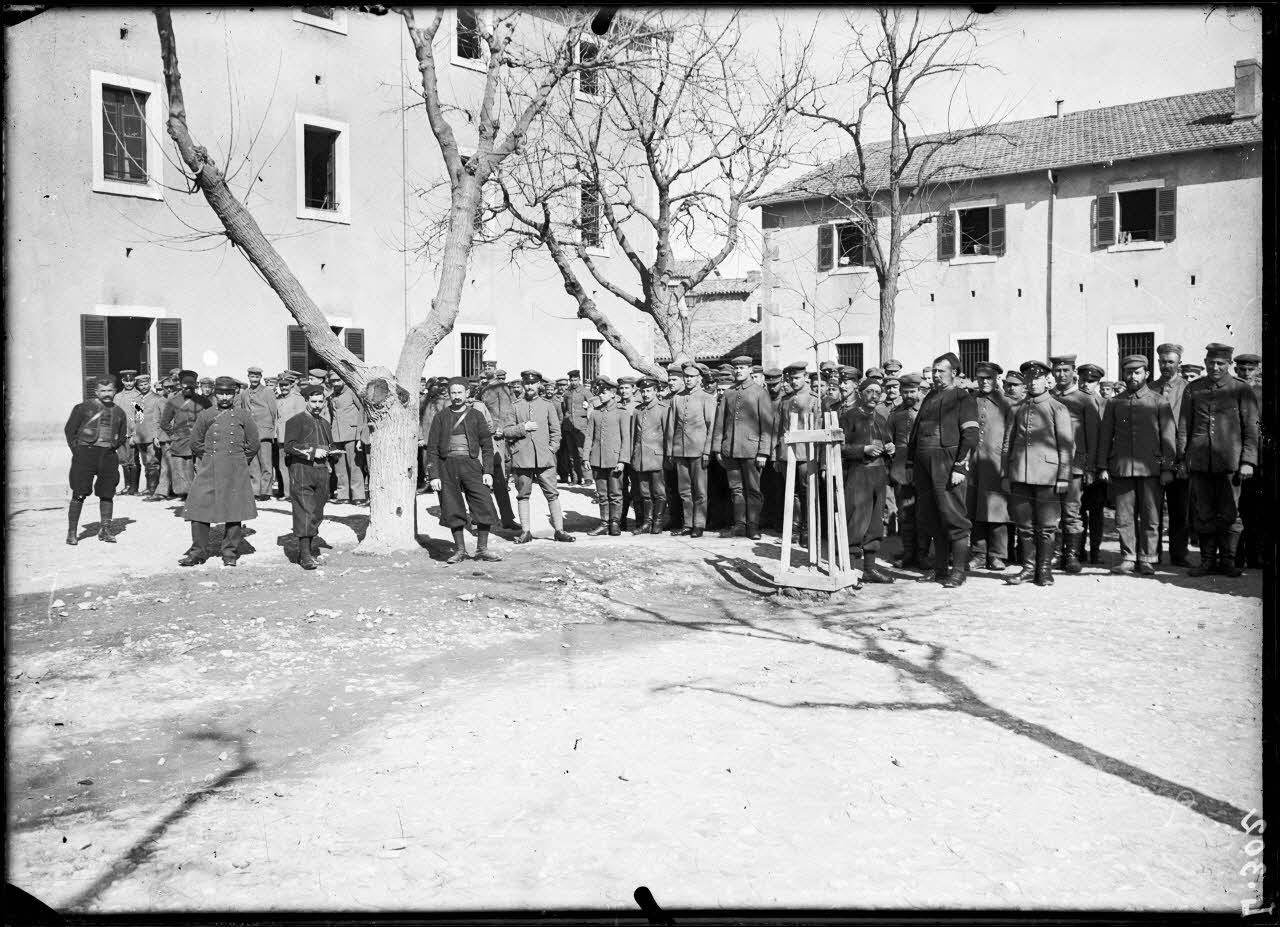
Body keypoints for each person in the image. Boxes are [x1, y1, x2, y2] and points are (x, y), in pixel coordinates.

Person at [1176, 343, 1260, 577]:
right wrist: (1182, 458)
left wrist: (1248, 461)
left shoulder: (1240, 389)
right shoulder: (1194, 389)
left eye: (1220, 363)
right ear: (1205, 363)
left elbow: (1251, 428)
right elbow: (1184, 426)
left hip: (1230, 462)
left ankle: (1227, 561)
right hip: (1200, 461)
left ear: (1229, 364)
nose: (1215, 367)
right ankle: (1207, 561)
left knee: (1230, 513)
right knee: (1203, 512)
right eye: (1211, 362)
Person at [1097, 355, 1175, 576]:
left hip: (1151, 469)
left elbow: (1168, 437)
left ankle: (1147, 558)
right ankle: (1128, 558)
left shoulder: (1159, 401)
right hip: (1122, 468)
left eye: (1137, 372)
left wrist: (1168, 468)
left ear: (1146, 374)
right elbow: (1105, 436)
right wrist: (1103, 466)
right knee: (1124, 517)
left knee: (1151, 516)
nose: (1132, 376)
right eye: (1129, 372)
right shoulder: (1115, 402)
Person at [906, 352, 980, 587]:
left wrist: (960, 466)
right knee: (932, 518)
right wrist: (911, 464)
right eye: (934, 371)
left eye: (941, 371)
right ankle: (939, 570)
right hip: (924, 465)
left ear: (954, 373)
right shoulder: (929, 397)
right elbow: (916, 433)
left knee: (953, 517)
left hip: (947, 463)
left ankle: (958, 572)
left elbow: (971, 435)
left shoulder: (962, 398)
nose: (936, 375)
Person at [1002, 360, 1074, 587]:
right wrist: (1005, 473)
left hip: (1047, 475)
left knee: (1047, 526)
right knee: (1024, 525)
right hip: (1020, 474)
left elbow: (1066, 445)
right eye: (1029, 379)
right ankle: (1028, 568)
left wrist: (1063, 476)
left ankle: (1044, 570)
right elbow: (1007, 443)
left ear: (1046, 380)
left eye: (1038, 378)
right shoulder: (1017, 408)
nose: (1033, 383)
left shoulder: (1057, 408)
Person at [180, 377, 260, 567]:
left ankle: (230, 552)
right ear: (215, 394)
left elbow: (253, 444)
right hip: (210, 467)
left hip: (235, 468)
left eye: (228, 393)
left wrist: (239, 460)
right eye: (221, 393)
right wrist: (211, 458)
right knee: (198, 508)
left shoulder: (243, 415)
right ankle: (197, 552)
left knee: (234, 510)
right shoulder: (206, 415)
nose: (224, 397)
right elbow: (195, 442)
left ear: (235, 394)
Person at [425, 377, 502, 564]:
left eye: (460, 392)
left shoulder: (476, 415)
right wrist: (434, 475)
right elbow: (432, 448)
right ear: (449, 394)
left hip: (472, 464)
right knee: (452, 507)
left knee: (483, 503)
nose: (457, 396)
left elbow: (487, 446)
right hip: (447, 466)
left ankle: (482, 549)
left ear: (467, 393)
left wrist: (488, 471)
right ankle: (460, 550)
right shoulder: (441, 417)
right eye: (453, 393)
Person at [501, 370, 574, 544]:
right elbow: (506, 431)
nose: (529, 386)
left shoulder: (547, 405)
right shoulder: (515, 406)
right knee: (523, 495)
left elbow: (556, 431)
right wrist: (523, 428)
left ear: (538, 384)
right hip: (522, 458)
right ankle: (526, 532)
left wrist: (552, 449)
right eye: (526, 383)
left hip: (545, 458)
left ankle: (559, 530)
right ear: (523, 385)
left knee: (552, 494)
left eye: (532, 383)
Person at [1048, 353, 1101, 575]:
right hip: (1049, 464)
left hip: (1074, 465)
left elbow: (1093, 437)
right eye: (1057, 371)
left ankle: (1071, 555)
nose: (1061, 374)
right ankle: (1055, 553)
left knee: (1071, 511)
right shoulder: (1048, 397)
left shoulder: (1084, 400)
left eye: (1066, 370)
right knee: (1051, 512)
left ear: (1073, 372)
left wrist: (1089, 467)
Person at [712, 355, 774, 540]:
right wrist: (717, 448)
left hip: (751, 450)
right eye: (736, 368)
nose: (738, 371)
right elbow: (720, 423)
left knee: (753, 490)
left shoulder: (759, 393)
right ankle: (740, 525)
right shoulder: (729, 393)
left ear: (750, 370)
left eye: (742, 368)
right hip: (730, 449)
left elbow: (767, 425)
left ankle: (753, 527)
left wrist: (763, 452)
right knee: (736, 489)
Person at [64, 375, 129, 545]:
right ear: (96, 392)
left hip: (108, 455)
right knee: (79, 491)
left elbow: (122, 435)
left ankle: (105, 530)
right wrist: (77, 451)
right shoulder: (82, 408)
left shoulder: (119, 412)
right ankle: (72, 532)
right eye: (103, 390)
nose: (107, 393)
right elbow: (70, 430)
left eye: (110, 390)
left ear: (115, 391)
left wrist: (112, 448)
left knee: (107, 492)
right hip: (85, 454)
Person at [840, 377, 894, 583]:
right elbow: (840, 447)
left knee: (875, 524)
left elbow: (887, 440)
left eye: (877, 392)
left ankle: (870, 569)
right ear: (860, 393)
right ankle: (851, 571)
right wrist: (864, 449)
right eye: (869, 391)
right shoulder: (849, 416)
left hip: (878, 474)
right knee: (856, 521)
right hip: (858, 474)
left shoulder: (881, 418)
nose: (874, 396)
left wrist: (890, 447)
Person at [283, 383, 342, 570]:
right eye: (313, 401)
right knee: (305, 511)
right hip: (302, 471)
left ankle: (307, 549)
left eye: (320, 402)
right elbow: (289, 446)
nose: (317, 405)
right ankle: (305, 555)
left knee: (317, 512)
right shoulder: (296, 421)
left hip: (322, 472)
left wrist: (334, 452)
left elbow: (330, 444)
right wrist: (312, 451)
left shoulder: (324, 423)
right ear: (306, 401)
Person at [968, 361, 1011, 571]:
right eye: (981, 378)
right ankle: (978, 554)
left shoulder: (1007, 403)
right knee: (975, 507)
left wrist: (1006, 464)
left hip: (996, 463)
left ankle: (997, 555)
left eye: (989, 378)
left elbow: (1010, 435)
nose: (984, 382)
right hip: (973, 461)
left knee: (997, 509)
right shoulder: (970, 400)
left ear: (997, 379)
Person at [1150, 343, 1191, 567]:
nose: (1166, 365)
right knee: (1152, 508)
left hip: (1180, 456)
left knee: (1179, 509)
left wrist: (1184, 459)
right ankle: (1152, 553)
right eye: (1163, 361)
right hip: (1154, 457)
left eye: (1171, 362)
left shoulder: (1189, 389)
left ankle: (1179, 554)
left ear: (1179, 363)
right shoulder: (1149, 388)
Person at [774, 361, 822, 543]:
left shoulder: (814, 400)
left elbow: (818, 429)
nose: (793, 382)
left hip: (806, 454)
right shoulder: (785, 400)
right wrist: (777, 455)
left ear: (806, 377)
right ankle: (793, 529)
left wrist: (818, 457)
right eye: (791, 379)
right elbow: (778, 429)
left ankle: (807, 530)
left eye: (797, 378)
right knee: (791, 493)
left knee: (807, 492)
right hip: (787, 454)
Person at [666, 363, 716, 537]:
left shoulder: (706, 398)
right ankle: (688, 524)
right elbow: (671, 426)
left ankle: (699, 524)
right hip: (680, 450)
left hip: (699, 451)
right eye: (686, 376)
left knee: (700, 490)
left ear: (699, 379)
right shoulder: (677, 398)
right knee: (684, 490)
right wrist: (671, 450)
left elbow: (711, 426)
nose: (688, 380)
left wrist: (707, 451)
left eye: (692, 377)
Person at [583, 376, 632, 537]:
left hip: (614, 460)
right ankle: (604, 523)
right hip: (597, 459)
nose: (600, 395)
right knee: (602, 494)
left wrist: (623, 460)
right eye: (600, 393)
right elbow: (589, 436)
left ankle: (615, 523)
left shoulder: (621, 413)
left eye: (604, 393)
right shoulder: (595, 413)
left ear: (612, 394)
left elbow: (626, 439)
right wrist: (585, 457)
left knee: (616, 494)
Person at [1231, 352, 1265, 570]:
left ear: (1257, 370)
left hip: (1260, 460)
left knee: (1257, 509)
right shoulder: (1229, 392)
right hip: (1234, 458)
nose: (1246, 373)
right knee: (1236, 508)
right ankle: (1235, 556)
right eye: (1242, 369)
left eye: (1250, 369)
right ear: (1235, 370)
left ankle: (1255, 555)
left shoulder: (1262, 394)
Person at [887, 373, 923, 569]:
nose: (909, 395)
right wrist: (890, 446)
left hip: (923, 468)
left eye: (912, 391)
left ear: (919, 391)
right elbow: (887, 437)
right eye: (905, 392)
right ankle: (909, 552)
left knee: (923, 513)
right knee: (905, 515)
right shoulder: (895, 414)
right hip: (901, 469)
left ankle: (923, 554)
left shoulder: (926, 411)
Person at [1077, 362, 1109, 564]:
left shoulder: (1105, 404)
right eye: (1083, 380)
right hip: (1076, 466)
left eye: (1091, 381)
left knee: (1096, 512)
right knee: (1077, 512)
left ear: (1098, 383)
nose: (1086, 385)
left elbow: (1105, 439)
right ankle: (1078, 551)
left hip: (1097, 468)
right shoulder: (1072, 402)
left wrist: (1099, 467)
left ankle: (1095, 552)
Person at [159, 370, 209, 499]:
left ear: (195, 385)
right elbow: (164, 422)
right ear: (180, 385)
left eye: (191, 386)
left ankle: (202, 494)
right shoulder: (173, 401)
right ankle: (187, 494)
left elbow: (212, 418)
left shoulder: (203, 401)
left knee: (201, 468)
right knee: (184, 469)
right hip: (181, 440)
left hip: (200, 440)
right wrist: (173, 435)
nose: (188, 388)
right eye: (185, 386)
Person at [629, 377, 668, 534]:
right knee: (645, 493)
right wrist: (633, 455)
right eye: (643, 391)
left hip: (657, 457)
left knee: (659, 492)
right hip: (640, 458)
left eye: (648, 391)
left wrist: (668, 456)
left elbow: (668, 435)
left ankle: (658, 522)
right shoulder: (637, 410)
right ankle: (647, 522)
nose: (645, 394)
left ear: (656, 391)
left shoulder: (663, 409)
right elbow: (633, 436)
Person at [326, 373, 369, 506]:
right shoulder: (331, 396)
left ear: (344, 380)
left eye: (338, 380)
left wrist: (360, 433)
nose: (335, 383)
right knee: (340, 467)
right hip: (336, 434)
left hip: (352, 433)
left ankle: (358, 495)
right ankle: (343, 494)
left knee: (354, 465)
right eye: (333, 381)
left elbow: (362, 410)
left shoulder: (352, 392)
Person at [235, 366, 278, 501]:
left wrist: (271, 429)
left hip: (264, 432)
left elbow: (273, 412)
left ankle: (266, 491)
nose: (254, 379)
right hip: (250, 432)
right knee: (253, 464)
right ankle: (255, 490)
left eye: (257, 377)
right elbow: (243, 411)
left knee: (266, 463)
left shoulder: (267, 392)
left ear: (260, 378)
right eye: (252, 376)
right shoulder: (244, 393)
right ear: (248, 377)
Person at [126, 372, 166, 500]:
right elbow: (138, 418)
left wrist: (157, 435)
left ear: (149, 384)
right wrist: (133, 435)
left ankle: (154, 489)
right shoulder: (138, 400)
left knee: (153, 463)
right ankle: (149, 487)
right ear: (137, 386)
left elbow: (161, 419)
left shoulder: (157, 399)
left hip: (152, 436)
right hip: (141, 436)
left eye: (146, 384)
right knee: (146, 463)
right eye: (141, 385)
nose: (143, 387)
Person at [273, 372, 307, 499]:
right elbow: (276, 419)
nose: (283, 387)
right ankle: (288, 493)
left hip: (294, 438)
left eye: (286, 385)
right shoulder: (278, 399)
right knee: (283, 466)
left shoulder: (298, 399)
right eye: (281, 385)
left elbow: (302, 419)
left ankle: (297, 492)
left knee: (295, 465)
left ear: (292, 385)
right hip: (281, 437)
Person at [561, 369, 591, 486]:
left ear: (579, 379)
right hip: (569, 427)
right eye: (572, 380)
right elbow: (564, 408)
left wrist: (586, 411)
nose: (573, 382)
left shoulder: (585, 392)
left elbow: (592, 406)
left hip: (581, 426)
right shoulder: (567, 393)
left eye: (575, 380)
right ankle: (576, 477)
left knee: (582, 452)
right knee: (572, 454)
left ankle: (587, 478)